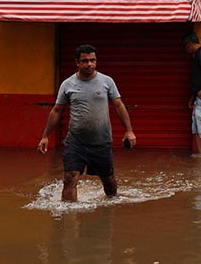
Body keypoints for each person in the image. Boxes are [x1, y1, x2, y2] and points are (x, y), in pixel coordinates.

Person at [37, 44, 136, 202]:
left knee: (109, 183)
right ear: (77, 62)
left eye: (93, 60)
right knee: (70, 178)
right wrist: (45, 136)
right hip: (76, 142)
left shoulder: (106, 81)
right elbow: (56, 110)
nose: (89, 64)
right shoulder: (67, 84)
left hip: (101, 142)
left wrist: (129, 130)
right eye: (85, 61)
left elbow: (118, 105)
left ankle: (109, 213)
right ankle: (68, 219)